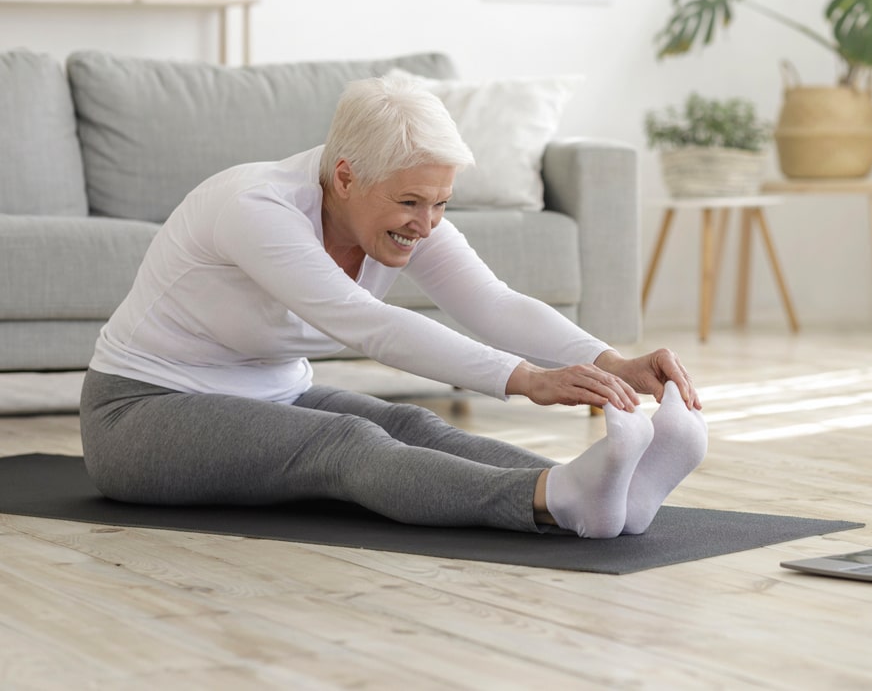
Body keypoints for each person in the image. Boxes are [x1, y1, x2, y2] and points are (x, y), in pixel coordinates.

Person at [79, 71, 707, 539]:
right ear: (346, 177)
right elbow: (371, 325)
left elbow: (492, 302)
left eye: (441, 204)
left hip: (271, 396)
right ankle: (555, 498)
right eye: (411, 202)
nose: (426, 223)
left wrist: (610, 361)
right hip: (140, 413)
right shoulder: (256, 209)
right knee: (346, 442)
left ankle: (602, 492)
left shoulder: (405, 214)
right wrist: (528, 381)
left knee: (413, 426)